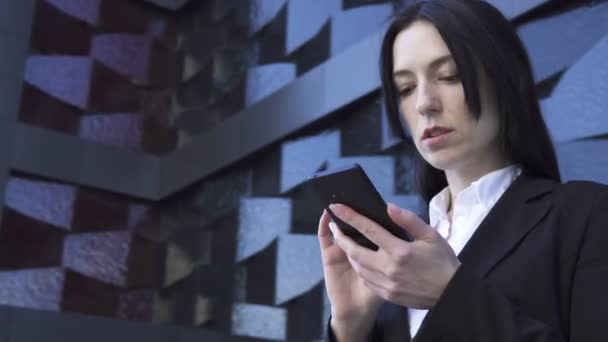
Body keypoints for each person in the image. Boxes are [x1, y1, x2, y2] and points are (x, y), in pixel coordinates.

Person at [317, 0, 608, 341]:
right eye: (405, 89)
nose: (424, 103)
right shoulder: (397, 255)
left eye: (449, 76)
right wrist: (350, 327)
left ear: (504, 79)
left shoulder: (584, 214)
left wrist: (451, 295)